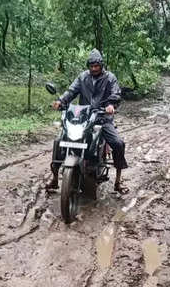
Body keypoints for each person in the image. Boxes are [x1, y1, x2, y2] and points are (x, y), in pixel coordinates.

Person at [47, 49, 129, 194]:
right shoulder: (83, 77)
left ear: (101, 65)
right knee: (60, 140)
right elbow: (71, 91)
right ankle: (54, 178)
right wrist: (60, 101)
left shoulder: (110, 78)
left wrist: (111, 105)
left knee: (118, 143)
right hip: (83, 118)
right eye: (91, 66)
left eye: (96, 66)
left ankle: (118, 181)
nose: (94, 68)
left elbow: (115, 94)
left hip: (102, 117)